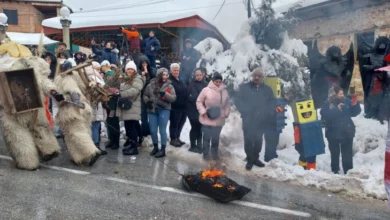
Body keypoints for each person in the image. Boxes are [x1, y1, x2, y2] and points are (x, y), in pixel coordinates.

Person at [234, 68, 276, 170]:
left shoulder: (267, 90)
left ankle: (256, 158)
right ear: (252, 76)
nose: (256, 77)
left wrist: (267, 113)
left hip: (261, 120)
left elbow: (272, 103)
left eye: (259, 76)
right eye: (255, 75)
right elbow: (237, 100)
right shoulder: (244, 88)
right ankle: (249, 159)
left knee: (258, 140)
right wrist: (245, 110)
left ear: (262, 77)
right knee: (248, 140)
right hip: (248, 119)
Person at [320, 86, 361, 174]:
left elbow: (355, 113)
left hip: (347, 131)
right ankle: (335, 170)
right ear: (334, 95)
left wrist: (355, 105)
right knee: (335, 153)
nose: (342, 95)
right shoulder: (327, 103)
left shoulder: (346, 101)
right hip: (332, 133)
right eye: (340, 94)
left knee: (347, 153)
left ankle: (348, 170)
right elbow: (325, 115)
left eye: (343, 93)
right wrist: (337, 109)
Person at [196, 73, 231, 160]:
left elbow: (227, 104)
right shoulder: (206, 90)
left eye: (220, 81)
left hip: (219, 118)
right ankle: (206, 154)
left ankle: (214, 154)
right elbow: (199, 101)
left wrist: (226, 113)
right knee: (207, 137)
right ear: (213, 81)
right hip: (207, 117)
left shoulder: (224, 91)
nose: (218, 83)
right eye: (216, 81)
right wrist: (203, 112)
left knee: (215, 138)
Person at [143, 68, 177, 158]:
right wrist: (147, 102)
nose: (165, 76)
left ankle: (163, 150)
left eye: (166, 75)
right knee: (153, 131)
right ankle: (155, 147)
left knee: (162, 130)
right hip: (152, 110)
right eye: (163, 75)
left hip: (164, 109)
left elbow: (173, 98)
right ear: (159, 75)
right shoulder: (150, 85)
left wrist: (165, 94)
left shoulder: (170, 86)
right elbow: (145, 95)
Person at [113, 61, 145, 156]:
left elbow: (135, 90)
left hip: (133, 106)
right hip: (127, 107)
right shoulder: (127, 79)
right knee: (129, 127)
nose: (130, 71)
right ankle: (131, 144)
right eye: (128, 69)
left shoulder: (137, 79)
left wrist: (121, 94)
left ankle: (134, 148)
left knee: (131, 128)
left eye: (131, 69)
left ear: (134, 70)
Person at [86, 61, 107, 155]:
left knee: (94, 125)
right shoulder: (93, 77)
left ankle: (92, 145)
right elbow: (103, 88)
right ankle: (95, 146)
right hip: (95, 105)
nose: (99, 71)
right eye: (97, 69)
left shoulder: (86, 75)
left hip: (92, 104)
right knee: (95, 125)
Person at [135, 55, 157, 143]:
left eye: (146, 63)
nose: (145, 64)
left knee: (152, 114)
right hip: (141, 97)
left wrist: (148, 72)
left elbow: (153, 81)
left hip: (151, 96)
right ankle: (144, 131)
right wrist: (142, 75)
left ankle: (151, 131)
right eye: (143, 63)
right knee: (143, 115)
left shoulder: (152, 71)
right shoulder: (138, 72)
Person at [187, 68, 208, 153]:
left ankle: (199, 146)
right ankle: (192, 146)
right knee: (194, 128)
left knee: (200, 128)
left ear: (203, 75)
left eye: (200, 75)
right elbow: (192, 97)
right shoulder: (191, 84)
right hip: (192, 109)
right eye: (197, 75)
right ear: (194, 76)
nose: (198, 77)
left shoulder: (206, 84)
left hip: (202, 110)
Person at [169, 63, 188, 147]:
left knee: (181, 122)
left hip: (183, 106)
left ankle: (177, 137)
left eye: (177, 70)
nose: (176, 72)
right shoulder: (170, 81)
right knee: (174, 123)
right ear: (171, 71)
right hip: (175, 106)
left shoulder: (180, 80)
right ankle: (173, 139)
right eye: (174, 70)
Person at [103, 64, 121, 150]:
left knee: (114, 123)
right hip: (108, 106)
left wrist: (113, 92)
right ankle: (111, 140)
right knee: (109, 123)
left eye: (110, 76)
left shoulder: (117, 85)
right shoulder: (105, 85)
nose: (109, 78)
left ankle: (116, 142)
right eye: (107, 76)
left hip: (114, 106)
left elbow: (118, 93)